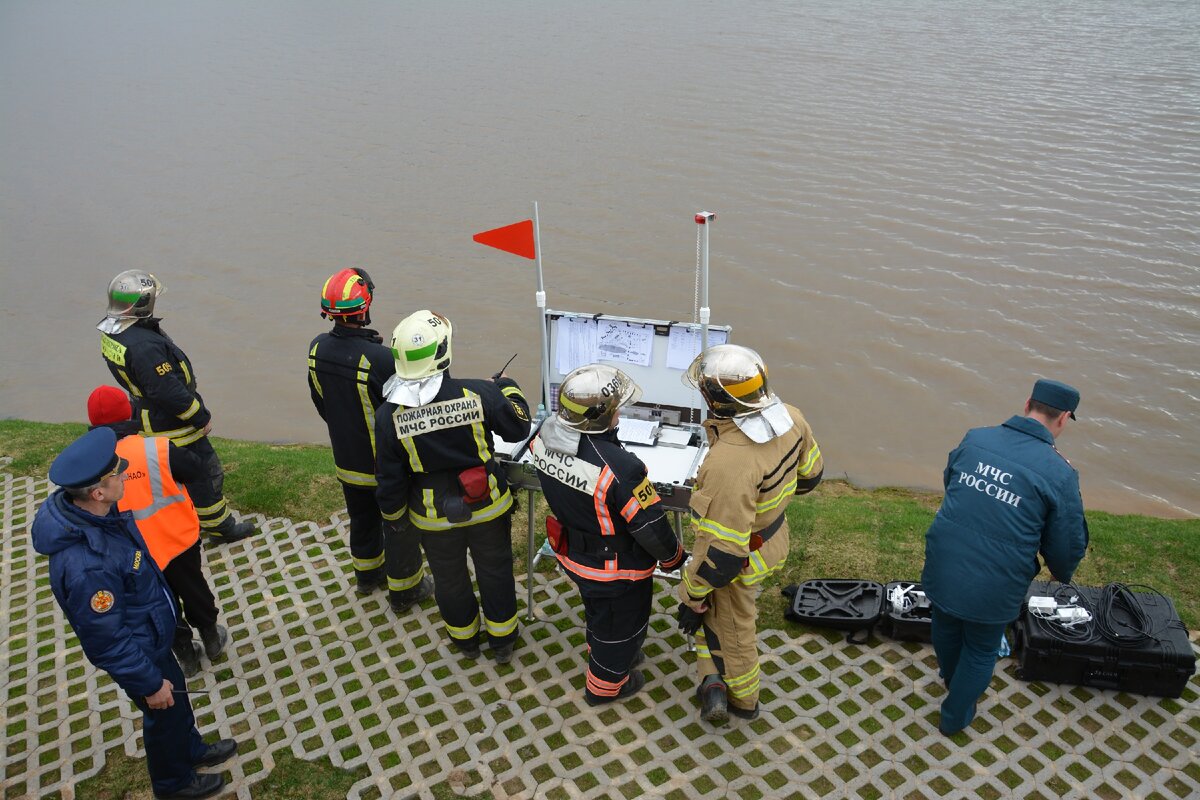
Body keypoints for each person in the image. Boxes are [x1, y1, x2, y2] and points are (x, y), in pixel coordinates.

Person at [31, 427, 237, 800]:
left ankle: (190, 750)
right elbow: (106, 640)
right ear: (97, 492)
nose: (126, 474)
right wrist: (147, 682)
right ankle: (173, 784)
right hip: (140, 653)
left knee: (177, 704)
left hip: (154, 640)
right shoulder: (85, 567)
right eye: (118, 474)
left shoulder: (102, 516)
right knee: (162, 713)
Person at [922, 378, 1089, 736]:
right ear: (1063, 419)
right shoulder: (1059, 471)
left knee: (946, 623)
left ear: (1028, 403)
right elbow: (1066, 541)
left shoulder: (976, 437)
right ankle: (954, 716)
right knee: (982, 647)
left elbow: (952, 480)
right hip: (996, 579)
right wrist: (1062, 572)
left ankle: (953, 678)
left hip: (944, 557)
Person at [677, 344, 823, 723]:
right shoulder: (791, 416)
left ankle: (744, 701)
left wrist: (691, 596)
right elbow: (811, 476)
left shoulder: (728, 463)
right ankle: (715, 678)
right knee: (724, 618)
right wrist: (767, 502)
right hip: (773, 538)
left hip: (740, 562)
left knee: (733, 630)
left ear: (718, 401)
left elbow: (721, 556)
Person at [375, 310, 531, 661]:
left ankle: (465, 641)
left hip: (433, 517)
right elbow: (519, 427)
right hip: (488, 506)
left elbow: (390, 478)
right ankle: (503, 641)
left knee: (449, 578)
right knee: (495, 571)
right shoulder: (478, 394)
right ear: (444, 351)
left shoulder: (388, 416)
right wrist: (508, 387)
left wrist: (394, 517)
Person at [530, 364, 684, 705]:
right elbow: (650, 526)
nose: (619, 414)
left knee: (600, 614)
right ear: (600, 418)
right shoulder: (622, 469)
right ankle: (605, 686)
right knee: (620, 626)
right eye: (615, 410)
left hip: (575, 556)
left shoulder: (542, 438)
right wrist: (673, 558)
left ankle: (607, 652)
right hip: (616, 570)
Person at [98, 269, 256, 543]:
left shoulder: (113, 333)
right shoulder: (144, 346)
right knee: (203, 472)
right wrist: (200, 417)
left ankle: (189, 516)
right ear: (143, 304)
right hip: (171, 421)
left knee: (174, 474)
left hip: (148, 414)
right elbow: (169, 391)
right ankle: (221, 528)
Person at [86, 385, 228, 678]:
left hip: (135, 555)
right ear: (129, 412)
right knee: (194, 590)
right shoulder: (157, 447)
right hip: (177, 540)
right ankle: (212, 639)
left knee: (159, 605)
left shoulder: (91, 466)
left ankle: (186, 657)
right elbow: (196, 469)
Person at [307, 268, 408, 595]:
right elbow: (402, 411)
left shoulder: (317, 349)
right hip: (384, 467)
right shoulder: (381, 358)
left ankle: (367, 578)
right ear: (365, 307)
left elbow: (321, 401)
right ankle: (405, 589)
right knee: (396, 525)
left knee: (362, 521)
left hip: (346, 460)